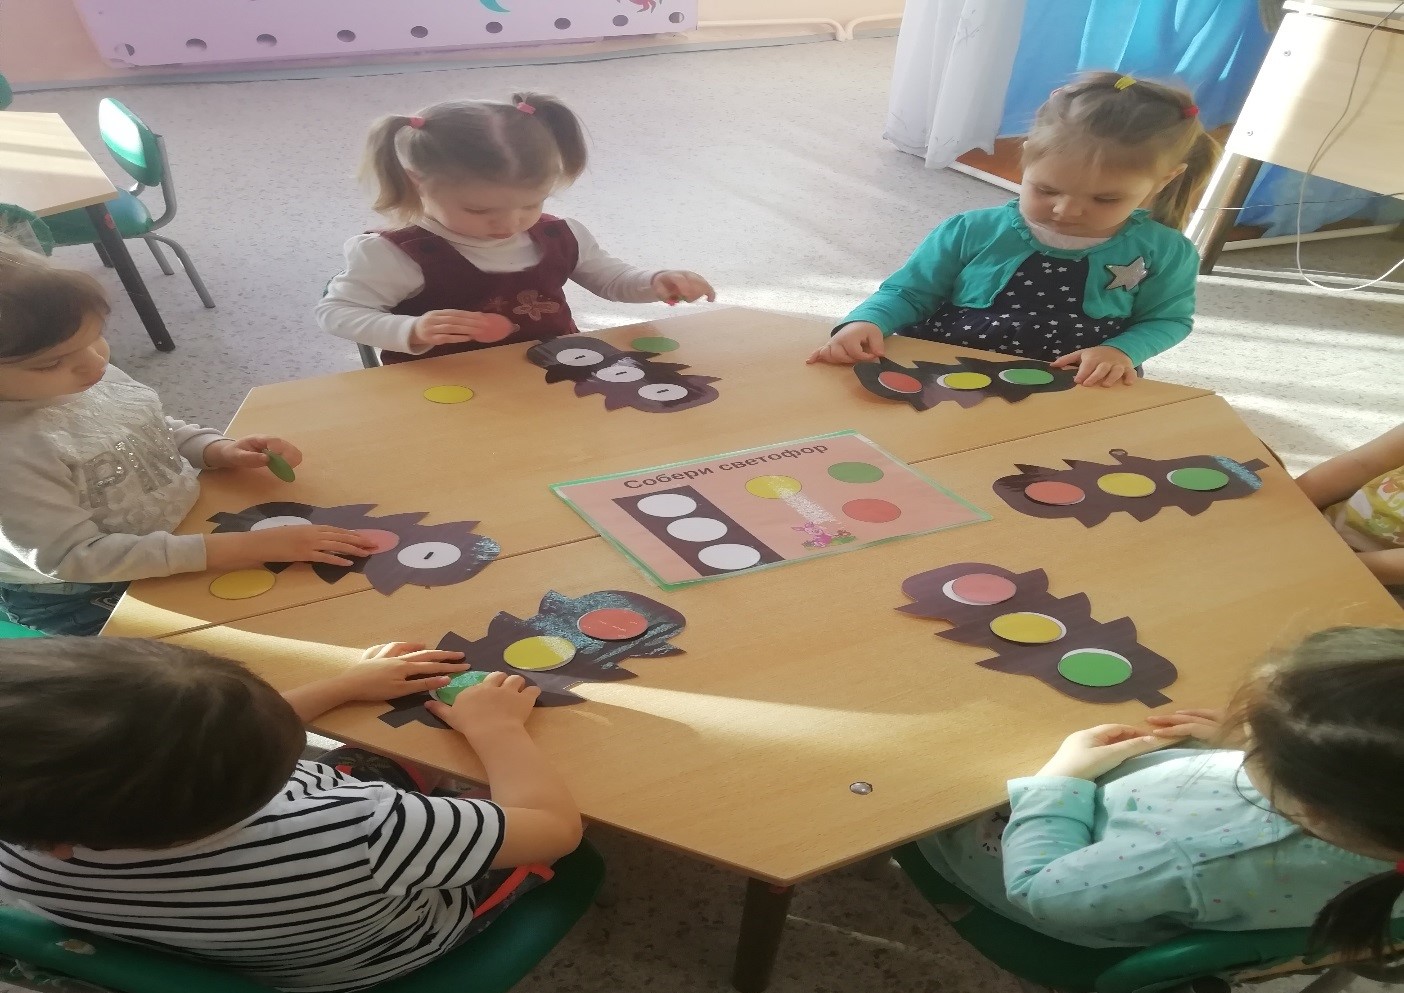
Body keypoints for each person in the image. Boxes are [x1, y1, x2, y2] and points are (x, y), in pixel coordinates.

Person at [0, 637, 584, 993]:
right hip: (392, 952)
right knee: (534, 819)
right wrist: (496, 729)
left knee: (390, 764)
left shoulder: (25, 829)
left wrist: (343, 685)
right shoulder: (359, 829)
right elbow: (554, 828)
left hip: (247, 949)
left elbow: (189, 743)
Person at [918, 627, 1404, 958]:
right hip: (1134, 863)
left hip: (1039, 874)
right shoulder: (1380, 822)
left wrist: (1059, 782)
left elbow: (1040, 890)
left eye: (1258, 737)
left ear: (1313, 802)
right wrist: (1261, 746)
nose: (1242, 729)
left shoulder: (1191, 858)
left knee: (924, 790)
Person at [0, 244, 377, 636]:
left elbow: (144, 423)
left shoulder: (81, 373)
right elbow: (73, 557)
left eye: (97, 338)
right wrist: (249, 547)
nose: (96, 362)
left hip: (178, 536)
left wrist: (216, 449)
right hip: (85, 591)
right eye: (51, 363)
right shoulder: (12, 457)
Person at [810, 72, 1220, 386]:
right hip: (946, 369)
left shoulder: (1165, 251)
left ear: (1165, 180)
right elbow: (908, 292)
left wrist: (1121, 352)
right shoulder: (970, 229)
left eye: (1105, 199)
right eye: (1046, 189)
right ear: (1026, 159)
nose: (1066, 210)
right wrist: (866, 322)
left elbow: (1167, 320)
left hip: (1074, 383)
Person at [316, 92, 715, 363]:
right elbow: (338, 312)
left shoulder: (560, 235)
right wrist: (411, 330)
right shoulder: (395, 253)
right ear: (416, 182)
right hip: (444, 392)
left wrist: (655, 281)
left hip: (555, 374)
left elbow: (612, 280)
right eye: (478, 209)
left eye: (531, 204)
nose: (510, 223)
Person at [1296, 423, 1404, 594]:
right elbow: (1361, 464)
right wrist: (1290, 504)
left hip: (1383, 584)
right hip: (1324, 533)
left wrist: (1330, 565)